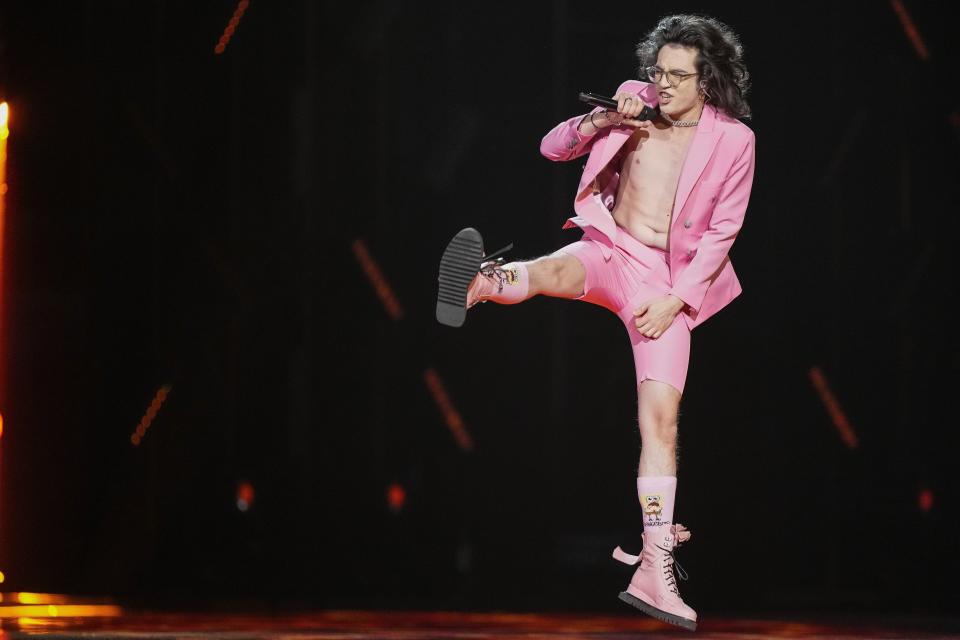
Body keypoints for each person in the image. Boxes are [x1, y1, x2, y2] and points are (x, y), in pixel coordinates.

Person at [436, 14, 755, 631]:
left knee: (659, 420)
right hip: (611, 249)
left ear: (706, 81)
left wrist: (680, 300)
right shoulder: (632, 103)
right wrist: (605, 120)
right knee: (550, 270)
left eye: (676, 76)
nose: (661, 84)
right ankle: (481, 283)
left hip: (665, 285)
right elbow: (552, 148)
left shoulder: (734, 140)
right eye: (656, 70)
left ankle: (654, 566)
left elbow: (724, 230)